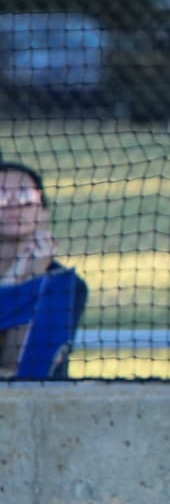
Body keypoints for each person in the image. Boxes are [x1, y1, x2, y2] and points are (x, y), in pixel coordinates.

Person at [0, 161, 78, 378]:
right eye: (1, 196)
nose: (14, 206)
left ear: (43, 211)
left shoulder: (64, 285)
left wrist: (34, 278)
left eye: (26, 196)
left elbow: (22, 368)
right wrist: (16, 276)